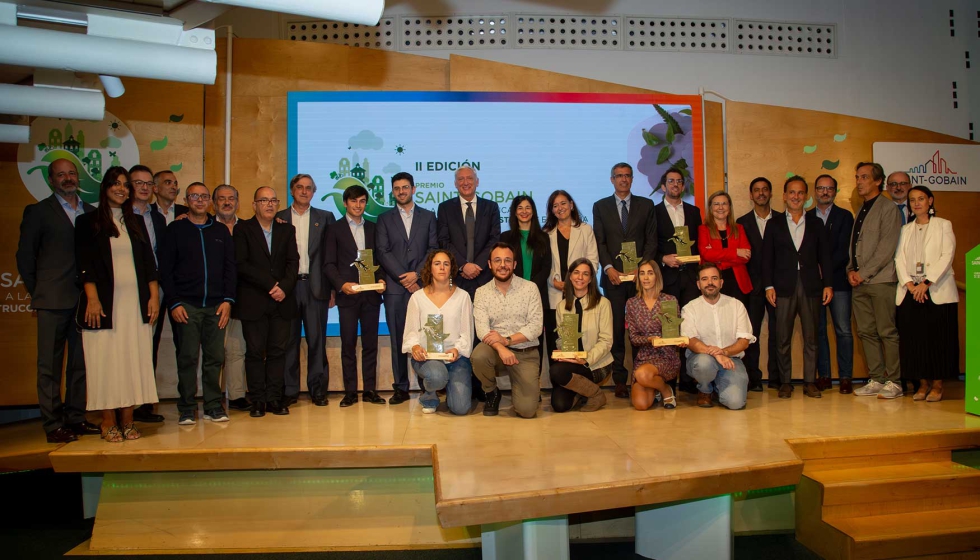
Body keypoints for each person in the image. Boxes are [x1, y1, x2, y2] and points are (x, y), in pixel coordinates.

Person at [75, 167, 159, 442]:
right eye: (116, 184)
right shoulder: (87, 222)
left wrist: (154, 297)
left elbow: (149, 265)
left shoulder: (134, 222)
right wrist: (93, 299)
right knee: (106, 363)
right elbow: (84, 264)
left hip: (135, 307)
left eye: (125, 185)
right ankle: (107, 421)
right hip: (104, 307)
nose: (121, 189)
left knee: (132, 361)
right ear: (105, 187)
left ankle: (128, 419)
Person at [16, 158, 98, 443]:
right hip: (52, 299)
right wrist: (39, 291)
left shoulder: (91, 212)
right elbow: (25, 257)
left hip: (85, 301)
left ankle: (76, 417)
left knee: (80, 363)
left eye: (72, 173)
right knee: (49, 365)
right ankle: (52, 424)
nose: (67, 178)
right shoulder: (38, 212)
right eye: (61, 175)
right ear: (51, 180)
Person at [158, 183, 237, 425]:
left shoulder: (221, 231)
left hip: (216, 306)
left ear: (210, 202)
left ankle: (213, 405)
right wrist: (173, 302)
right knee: (188, 357)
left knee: (215, 358)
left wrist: (228, 301)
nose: (200, 201)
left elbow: (230, 269)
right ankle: (187, 407)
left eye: (204, 197)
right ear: (186, 199)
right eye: (195, 196)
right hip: (186, 306)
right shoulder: (175, 229)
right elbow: (166, 270)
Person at [762, 176, 833, 399]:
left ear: (806, 197)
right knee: (782, 337)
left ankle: (810, 382)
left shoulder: (816, 223)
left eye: (800, 193)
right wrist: (768, 286)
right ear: (784, 196)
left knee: (812, 337)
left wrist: (828, 284)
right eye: (791, 193)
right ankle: (785, 382)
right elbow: (767, 259)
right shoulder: (773, 224)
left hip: (811, 286)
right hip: (783, 287)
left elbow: (825, 257)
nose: (796, 197)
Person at [592, 162, 658, 398]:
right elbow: (600, 241)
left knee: (643, 329)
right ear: (611, 180)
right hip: (615, 279)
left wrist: (643, 269)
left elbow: (651, 239)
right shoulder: (600, 206)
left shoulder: (646, 205)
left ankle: (643, 376)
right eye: (619, 176)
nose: (623, 179)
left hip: (642, 280)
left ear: (632, 179)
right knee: (618, 330)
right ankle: (620, 380)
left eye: (627, 176)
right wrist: (608, 268)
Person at [235, 186, 299, 417]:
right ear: (254, 205)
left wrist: (284, 287)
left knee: (277, 352)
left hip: (282, 301)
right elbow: (241, 264)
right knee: (254, 353)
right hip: (254, 301)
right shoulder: (242, 229)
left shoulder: (286, 230)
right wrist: (271, 285)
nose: (270, 204)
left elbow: (294, 262)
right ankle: (258, 401)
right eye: (264, 200)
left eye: (273, 200)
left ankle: (273, 399)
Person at [377, 172, 437, 405]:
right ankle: (400, 387)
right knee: (398, 340)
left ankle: (427, 386)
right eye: (396, 188)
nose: (401, 191)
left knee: (426, 337)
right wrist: (404, 278)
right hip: (395, 288)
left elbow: (433, 248)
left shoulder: (429, 216)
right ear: (392, 191)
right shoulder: (384, 219)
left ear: (413, 189)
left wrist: (417, 276)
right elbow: (382, 251)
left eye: (405, 187)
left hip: (423, 287)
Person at [276, 174, 336, 407]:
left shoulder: (326, 217)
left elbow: (330, 257)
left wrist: (332, 289)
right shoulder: (279, 217)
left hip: (317, 288)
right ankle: (289, 391)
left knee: (317, 341)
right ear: (292, 190)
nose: (304, 191)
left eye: (308, 188)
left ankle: (318, 390)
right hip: (288, 289)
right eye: (299, 187)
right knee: (288, 341)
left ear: (314, 192)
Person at [324, 185, 387, 407]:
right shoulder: (334, 229)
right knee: (348, 344)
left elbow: (381, 258)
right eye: (353, 201)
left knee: (370, 344)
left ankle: (370, 390)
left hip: (370, 297)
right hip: (348, 297)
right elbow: (329, 264)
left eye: (362, 201)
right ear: (345, 203)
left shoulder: (374, 227)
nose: (358, 205)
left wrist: (381, 280)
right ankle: (350, 392)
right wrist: (341, 285)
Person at [895, 186, 958, 402]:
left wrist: (927, 283)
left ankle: (938, 385)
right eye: (912, 200)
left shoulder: (943, 225)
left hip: (936, 291)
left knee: (937, 341)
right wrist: (911, 285)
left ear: (930, 201)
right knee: (915, 341)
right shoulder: (906, 229)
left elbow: (947, 255)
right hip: (911, 292)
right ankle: (922, 385)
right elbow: (899, 259)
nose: (916, 203)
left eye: (921, 199)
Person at [848, 162, 903, 399]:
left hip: (880, 281)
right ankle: (877, 379)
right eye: (857, 177)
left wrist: (863, 273)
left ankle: (895, 381)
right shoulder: (862, 208)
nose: (859, 181)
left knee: (886, 332)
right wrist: (851, 270)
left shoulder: (888, 208)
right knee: (866, 332)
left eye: (864, 177)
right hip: (859, 283)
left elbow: (886, 249)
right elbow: (855, 245)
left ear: (878, 181)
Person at [472, 243, 543, 418]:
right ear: (489, 264)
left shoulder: (530, 288)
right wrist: (502, 347)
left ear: (515, 264)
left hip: (525, 351)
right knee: (479, 355)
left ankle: (520, 386)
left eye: (507, 260)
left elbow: (535, 327)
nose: (502, 265)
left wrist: (507, 340)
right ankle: (492, 392)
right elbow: (482, 330)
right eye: (497, 260)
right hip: (496, 352)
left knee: (527, 411)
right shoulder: (481, 292)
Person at [403, 250, 473, 415]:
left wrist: (457, 350)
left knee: (461, 409)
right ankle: (429, 396)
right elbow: (411, 332)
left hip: (455, 358)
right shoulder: (417, 298)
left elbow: (467, 333)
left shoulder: (463, 297)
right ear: (430, 268)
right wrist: (415, 348)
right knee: (436, 376)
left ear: (451, 269)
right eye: (437, 263)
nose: (442, 267)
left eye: (446, 264)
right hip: (427, 357)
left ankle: (451, 388)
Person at [653, 167, 702, 393]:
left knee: (691, 327)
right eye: (670, 181)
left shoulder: (694, 212)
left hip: (690, 278)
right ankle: (670, 380)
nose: (675, 185)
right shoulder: (653, 212)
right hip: (668, 278)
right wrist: (663, 258)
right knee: (670, 329)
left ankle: (690, 378)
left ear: (683, 186)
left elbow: (698, 244)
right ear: (663, 186)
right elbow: (650, 244)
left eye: (679, 181)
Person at [681, 263, 755, 410]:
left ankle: (718, 386)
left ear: (721, 282)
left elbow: (744, 342)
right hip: (701, 358)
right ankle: (705, 389)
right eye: (705, 279)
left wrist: (724, 352)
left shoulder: (736, 305)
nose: (710, 283)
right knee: (704, 364)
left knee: (736, 403)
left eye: (714, 278)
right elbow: (691, 340)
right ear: (698, 284)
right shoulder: (690, 308)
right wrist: (716, 354)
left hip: (731, 359)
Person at [127, 165, 167, 423]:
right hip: (124, 290)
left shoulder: (158, 219)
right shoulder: (117, 215)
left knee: (148, 346)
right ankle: (124, 405)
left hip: (155, 289)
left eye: (147, 183)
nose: (143, 187)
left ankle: (142, 404)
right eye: (137, 183)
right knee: (125, 346)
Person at [809, 174, 855, 394]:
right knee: (818, 331)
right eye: (820, 188)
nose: (825, 192)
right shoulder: (807, 217)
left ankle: (846, 377)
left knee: (843, 330)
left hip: (839, 281)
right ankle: (824, 375)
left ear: (835, 191)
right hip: (814, 284)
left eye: (829, 188)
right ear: (815, 191)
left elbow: (844, 250)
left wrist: (824, 270)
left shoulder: (846, 217)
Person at [542, 190, 599, 364]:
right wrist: (553, 281)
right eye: (555, 205)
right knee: (557, 342)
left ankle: (581, 381)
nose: (560, 208)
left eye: (563, 203)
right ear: (551, 211)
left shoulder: (585, 230)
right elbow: (542, 264)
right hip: (555, 294)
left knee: (580, 341)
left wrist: (578, 281)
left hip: (581, 293)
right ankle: (558, 381)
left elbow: (593, 261)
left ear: (571, 205)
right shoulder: (545, 233)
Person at [550, 258, 613, 413]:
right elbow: (560, 338)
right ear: (570, 276)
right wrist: (562, 351)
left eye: (585, 274)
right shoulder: (561, 307)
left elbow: (606, 341)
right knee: (559, 405)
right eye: (576, 273)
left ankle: (595, 394)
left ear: (591, 279)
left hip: (595, 364)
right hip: (571, 363)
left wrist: (586, 359)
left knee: (557, 371)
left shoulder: (603, 303)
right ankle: (583, 392)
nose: (580, 277)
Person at [736, 178, 780, 391]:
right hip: (751, 287)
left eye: (765, 190)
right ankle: (753, 379)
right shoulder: (741, 223)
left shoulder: (782, 219)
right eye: (756, 190)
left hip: (778, 287)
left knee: (778, 332)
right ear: (750, 195)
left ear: (771, 193)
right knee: (750, 334)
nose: (761, 193)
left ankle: (777, 378)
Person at [149, 169, 187, 399]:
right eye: (167, 182)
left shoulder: (186, 213)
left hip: (179, 287)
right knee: (148, 344)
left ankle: (187, 398)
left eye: (175, 183)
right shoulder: (143, 213)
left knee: (184, 345)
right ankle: (146, 400)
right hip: (152, 286)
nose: (173, 186)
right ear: (155, 188)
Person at [436, 166, 501, 298]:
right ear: (455, 184)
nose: (465, 182)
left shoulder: (491, 207)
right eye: (461, 179)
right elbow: (443, 240)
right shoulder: (445, 208)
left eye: (469, 178)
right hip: (456, 277)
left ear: (477, 181)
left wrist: (477, 266)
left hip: (484, 276)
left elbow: (494, 239)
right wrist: (463, 265)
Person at [626, 260, 682, 411]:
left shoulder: (669, 300)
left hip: (666, 355)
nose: (646, 278)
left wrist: (679, 341)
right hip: (645, 356)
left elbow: (675, 333)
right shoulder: (632, 303)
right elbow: (633, 338)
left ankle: (665, 390)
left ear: (657, 276)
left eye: (650, 273)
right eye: (642, 273)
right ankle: (656, 386)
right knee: (641, 405)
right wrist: (649, 340)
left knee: (642, 375)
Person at [213, 184, 249, 411]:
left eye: (231, 198)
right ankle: (212, 396)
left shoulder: (247, 228)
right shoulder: (204, 226)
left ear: (237, 201)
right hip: (213, 297)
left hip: (242, 297)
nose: (227, 202)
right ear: (214, 203)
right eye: (222, 199)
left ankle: (236, 396)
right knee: (214, 350)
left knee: (237, 349)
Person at [501, 195, 551, 355]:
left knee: (536, 337)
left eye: (528, 208)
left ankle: (534, 376)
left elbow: (546, 267)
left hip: (537, 294)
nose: (524, 211)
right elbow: (503, 266)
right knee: (512, 335)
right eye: (520, 208)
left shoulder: (543, 237)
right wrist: (519, 288)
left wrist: (531, 287)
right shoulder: (506, 237)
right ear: (514, 212)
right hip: (512, 294)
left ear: (533, 211)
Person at [699, 191, 752, 303]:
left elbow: (746, 256)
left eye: (724, 203)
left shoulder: (739, 228)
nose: (720, 207)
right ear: (710, 208)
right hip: (713, 282)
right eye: (716, 204)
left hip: (738, 282)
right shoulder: (703, 229)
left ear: (729, 207)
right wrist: (736, 252)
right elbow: (707, 255)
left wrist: (719, 261)